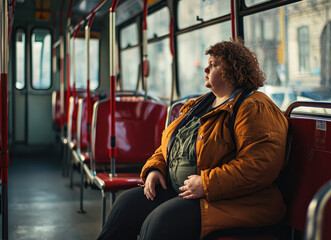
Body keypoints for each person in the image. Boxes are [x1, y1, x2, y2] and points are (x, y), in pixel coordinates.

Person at [97, 38, 288, 240]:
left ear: (233, 71)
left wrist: (207, 184)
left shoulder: (254, 107)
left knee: (161, 223)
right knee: (126, 205)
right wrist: (155, 168)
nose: (206, 69)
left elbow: (260, 165)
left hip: (230, 199)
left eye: (214, 65)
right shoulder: (198, 105)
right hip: (184, 190)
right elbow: (169, 145)